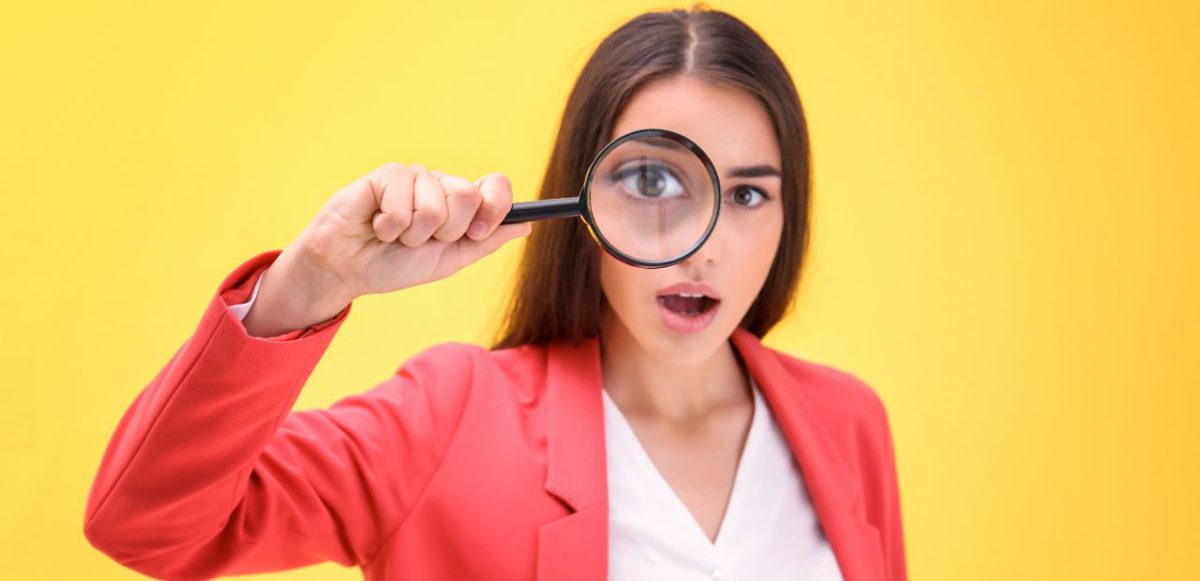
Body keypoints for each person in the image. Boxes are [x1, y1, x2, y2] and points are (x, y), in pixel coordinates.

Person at [84, 6, 906, 581]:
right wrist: (309, 283)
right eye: (654, 178)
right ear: (581, 193)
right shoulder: (449, 416)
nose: (710, 244)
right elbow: (146, 525)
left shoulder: (847, 423)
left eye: (752, 193)